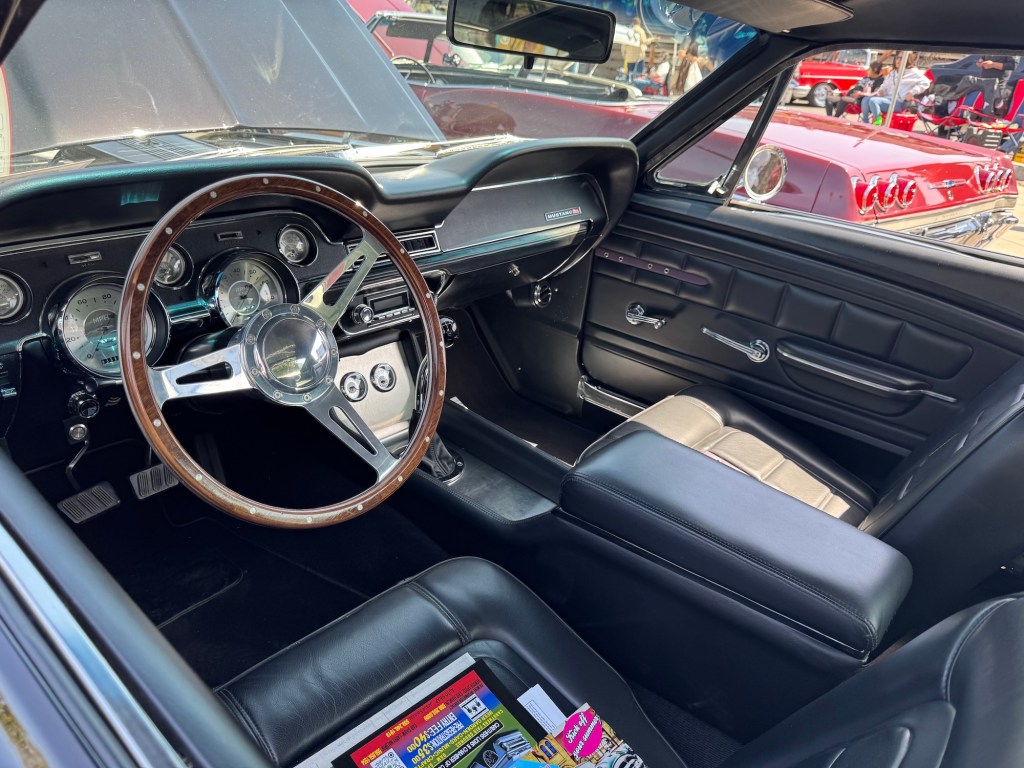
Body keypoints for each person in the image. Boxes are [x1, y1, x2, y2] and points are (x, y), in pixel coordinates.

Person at [861, 52, 930, 124]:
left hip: (900, 102)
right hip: (887, 99)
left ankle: (878, 123)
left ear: (907, 60)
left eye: (901, 58)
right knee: (866, 99)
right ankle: (865, 122)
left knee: (873, 101)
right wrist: (881, 90)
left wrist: (912, 92)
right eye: (898, 58)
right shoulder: (893, 73)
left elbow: (926, 82)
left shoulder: (914, 72)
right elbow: (884, 85)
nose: (898, 60)